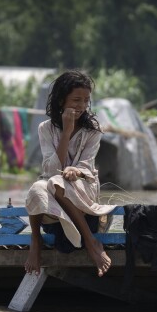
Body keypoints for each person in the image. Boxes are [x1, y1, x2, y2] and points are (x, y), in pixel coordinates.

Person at [24, 70, 115, 277]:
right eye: (76, 100)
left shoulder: (93, 131)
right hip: (54, 190)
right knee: (38, 187)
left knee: (55, 183)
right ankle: (35, 241)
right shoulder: (45, 128)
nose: (82, 106)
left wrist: (77, 170)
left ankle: (91, 243)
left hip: (83, 188)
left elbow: (86, 166)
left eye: (86, 100)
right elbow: (49, 170)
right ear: (61, 100)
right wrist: (66, 131)